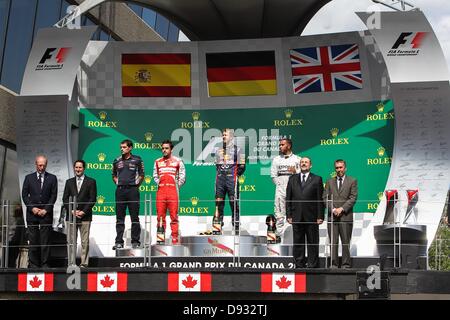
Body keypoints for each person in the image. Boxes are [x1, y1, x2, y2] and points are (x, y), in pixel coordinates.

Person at [286, 157, 324, 268]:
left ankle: (312, 265)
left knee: (312, 242)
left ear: (310, 165)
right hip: (296, 215)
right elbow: (288, 198)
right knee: (298, 242)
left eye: (306, 162)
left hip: (312, 216)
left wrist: (320, 216)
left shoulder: (317, 179)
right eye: (302, 162)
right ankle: (299, 264)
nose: (303, 164)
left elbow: (319, 199)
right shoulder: (292, 179)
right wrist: (289, 215)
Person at [21, 155, 57, 268]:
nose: (42, 167)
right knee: (33, 240)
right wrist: (32, 208)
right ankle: (33, 264)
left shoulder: (52, 178)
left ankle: (45, 263)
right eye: (40, 165)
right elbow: (24, 195)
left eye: (44, 165)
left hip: (46, 214)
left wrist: (46, 209)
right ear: (36, 164)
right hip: (32, 214)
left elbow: (53, 195)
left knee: (45, 240)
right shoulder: (28, 178)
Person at [323, 159, 357, 269]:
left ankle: (346, 265)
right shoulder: (329, 181)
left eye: (341, 167)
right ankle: (333, 264)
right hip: (332, 217)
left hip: (346, 216)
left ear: (345, 168)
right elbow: (325, 198)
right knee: (333, 242)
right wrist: (333, 209)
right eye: (337, 168)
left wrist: (341, 209)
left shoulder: (352, 181)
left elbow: (353, 198)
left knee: (345, 242)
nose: (339, 170)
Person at [62, 160, 97, 267]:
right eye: (76, 167)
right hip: (71, 216)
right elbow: (65, 199)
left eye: (80, 167)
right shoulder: (69, 182)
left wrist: (83, 211)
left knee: (84, 242)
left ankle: (84, 263)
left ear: (84, 168)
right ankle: (71, 263)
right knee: (71, 241)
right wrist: (72, 210)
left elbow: (92, 199)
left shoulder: (91, 181)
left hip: (85, 216)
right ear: (74, 168)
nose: (78, 169)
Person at [112, 139, 144, 249]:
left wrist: (135, 185)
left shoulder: (137, 159)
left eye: (124, 147)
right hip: (120, 190)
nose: (122, 149)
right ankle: (119, 241)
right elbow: (113, 175)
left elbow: (141, 174)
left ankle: (135, 241)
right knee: (119, 217)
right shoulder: (116, 160)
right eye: (121, 147)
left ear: (130, 148)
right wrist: (117, 182)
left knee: (134, 217)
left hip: (133, 191)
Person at [153, 140, 186, 245]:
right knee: (160, 216)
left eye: (166, 148)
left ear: (171, 149)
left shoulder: (178, 161)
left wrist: (175, 186)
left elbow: (182, 177)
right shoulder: (157, 161)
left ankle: (175, 238)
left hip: (173, 191)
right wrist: (161, 184)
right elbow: (155, 176)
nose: (164, 150)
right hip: (161, 191)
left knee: (174, 216)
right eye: (162, 148)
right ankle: (160, 238)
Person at [214, 128, 246, 233]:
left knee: (234, 202)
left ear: (231, 137)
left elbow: (242, 166)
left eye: (225, 135)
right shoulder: (218, 150)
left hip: (232, 179)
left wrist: (234, 175)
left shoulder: (239, 149)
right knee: (219, 203)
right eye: (222, 135)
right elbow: (217, 165)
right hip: (220, 179)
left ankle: (236, 225)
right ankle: (218, 224)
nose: (223, 136)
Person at [270, 138, 301, 241]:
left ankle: (294, 238)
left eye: (282, 145)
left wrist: (295, 172)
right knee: (279, 214)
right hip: (281, 191)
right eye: (279, 145)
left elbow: (302, 176)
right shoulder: (276, 159)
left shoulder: (298, 159)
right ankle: (279, 237)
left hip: (294, 191)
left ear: (289, 146)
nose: (280, 147)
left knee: (294, 214)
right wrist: (280, 185)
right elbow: (273, 176)